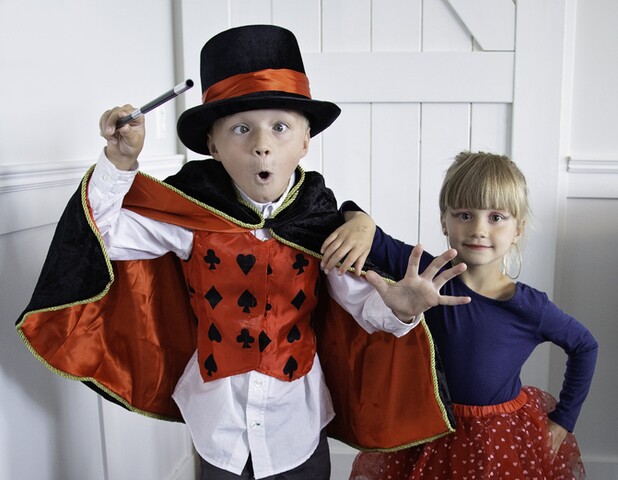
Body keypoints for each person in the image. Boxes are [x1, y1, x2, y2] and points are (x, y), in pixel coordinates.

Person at [16, 25, 471, 479]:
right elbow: (104, 232)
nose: (261, 143)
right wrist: (119, 163)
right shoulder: (193, 215)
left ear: (306, 140)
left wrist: (401, 311)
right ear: (213, 145)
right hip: (218, 427)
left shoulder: (322, 224)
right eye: (240, 128)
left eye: (279, 126)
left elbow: (363, 303)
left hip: (298, 426)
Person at [323, 151, 598, 479]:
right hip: (427, 427)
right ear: (444, 221)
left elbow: (585, 346)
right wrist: (359, 218)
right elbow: (368, 234)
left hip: (499, 441)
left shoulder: (529, 307)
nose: (479, 229)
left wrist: (564, 418)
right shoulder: (424, 272)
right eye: (465, 215)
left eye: (496, 217)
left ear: (518, 229)